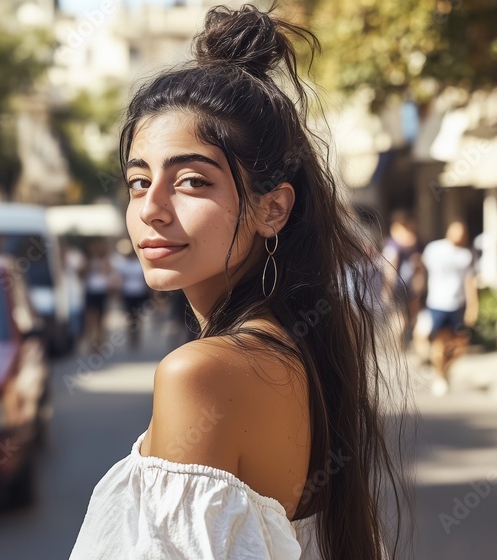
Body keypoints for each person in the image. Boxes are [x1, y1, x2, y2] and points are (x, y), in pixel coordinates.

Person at [70, 6, 412, 560]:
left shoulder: (199, 374)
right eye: (137, 182)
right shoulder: (300, 344)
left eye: (191, 181)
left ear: (272, 207)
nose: (152, 209)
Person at [421, 221, 479, 395]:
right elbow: (422, 273)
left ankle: (444, 370)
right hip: (437, 303)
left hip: (457, 304)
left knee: (460, 345)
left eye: (462, 232)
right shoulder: (434, 249)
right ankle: (439, 376)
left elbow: (470, 282)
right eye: (456, 231)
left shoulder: (466, 255)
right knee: (439, 342)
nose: (459, 236)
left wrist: (472, 305)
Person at [382, 210, 422, 348]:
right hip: (405, 284)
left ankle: (398, 345)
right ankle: (400, 344)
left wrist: (387, 288)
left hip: (401, 284)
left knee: (400, 316)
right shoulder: (408, 243)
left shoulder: (393, 244)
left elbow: (390, 269)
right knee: (404, 316)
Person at [116, 239, 151, 351]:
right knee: (130, 317)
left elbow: (144, 279)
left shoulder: (139, 263)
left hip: (139, 293)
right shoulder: (123, 264)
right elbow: (120, 280)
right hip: (128, 293)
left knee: (138, 317)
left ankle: (137, 337)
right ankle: (131, 336)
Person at [83, 241, 115, 350]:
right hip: (91, 290)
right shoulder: (87, 261)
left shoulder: (105, 261)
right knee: (90, 318)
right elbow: (83, 274)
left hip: (101, 290)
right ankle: (91, 342)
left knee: (101, 319)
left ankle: (100, 342)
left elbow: (109, 272)